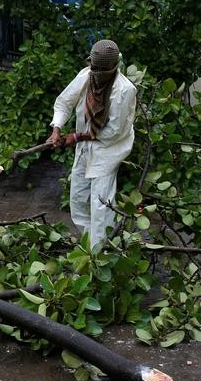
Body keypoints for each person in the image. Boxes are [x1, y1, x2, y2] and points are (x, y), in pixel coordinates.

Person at [46, 40, 137, 248]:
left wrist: (76, 137)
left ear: (114, 68)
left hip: (108, 151)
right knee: (77, 202)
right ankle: (93, 247)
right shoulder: (86, 76)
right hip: (85, 148)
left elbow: (113, 132)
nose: (96, 74)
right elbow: (65, 102)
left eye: (101, 70)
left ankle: (98, 258)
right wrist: (56, 130)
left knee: (101, 207)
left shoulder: (124, 90)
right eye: (93, 68)